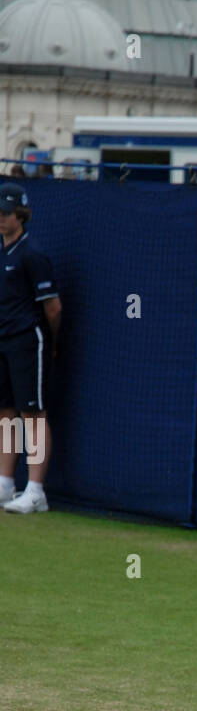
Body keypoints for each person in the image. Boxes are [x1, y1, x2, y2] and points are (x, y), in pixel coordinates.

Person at [0, 183, 61, 513]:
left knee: (32, 415)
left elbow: (53, 308)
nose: (1, 218)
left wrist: (50, 343)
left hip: (28, 341)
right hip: (2, 341)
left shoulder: (32, 254)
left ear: (21, 216)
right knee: (5, 414)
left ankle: (36, 490)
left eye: (6, 213)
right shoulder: (1, 251)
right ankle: (5, 483)